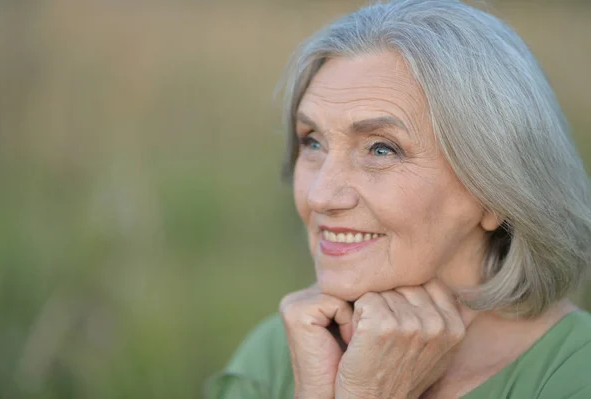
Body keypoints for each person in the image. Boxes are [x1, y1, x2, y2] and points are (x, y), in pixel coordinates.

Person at [205, 0, 591, 398]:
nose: (320, 195)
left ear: (495, 190)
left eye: (381, 149)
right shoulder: (283, 351)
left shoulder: (575, 375)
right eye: (312, 142)